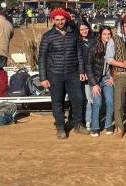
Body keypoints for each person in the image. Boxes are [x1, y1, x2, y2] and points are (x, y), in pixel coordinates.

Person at [38, 9, 88, 139]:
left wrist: (81, 71)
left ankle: (78, 124)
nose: (60, 22)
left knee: (78, 100)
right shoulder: (47, 36)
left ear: (66, 20)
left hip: (73, 73)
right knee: (57, 101)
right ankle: (60, 126)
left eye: (62, 19)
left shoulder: (74, 35)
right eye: (57, 19)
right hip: (54, 74)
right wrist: (43, 78)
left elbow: (79, 54)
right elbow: (42, 58)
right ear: (53, 20)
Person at [87, 26, 115, 137]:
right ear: (100, 35)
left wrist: (113, 77)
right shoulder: (94, 48)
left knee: (110, 101)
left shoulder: (113, 47)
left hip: (108, 78)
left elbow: (115, 64)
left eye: (109, 34)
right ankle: (95, 127)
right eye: (105, 34)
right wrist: (94, 84)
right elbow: (88, 66)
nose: (107, 36)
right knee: (97, 102)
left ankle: (108, 125)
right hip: (96, 79)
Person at [77, 21, 96, 130]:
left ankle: (89, 120)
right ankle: (84, 120)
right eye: (81, 29)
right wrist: (82, 72)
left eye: (86, 28)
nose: (84, 31)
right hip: (81, 74)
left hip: (92, 73)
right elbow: (79, 59)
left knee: (90, 99)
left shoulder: (94, 40)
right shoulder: (77, 42)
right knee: (84, 99)